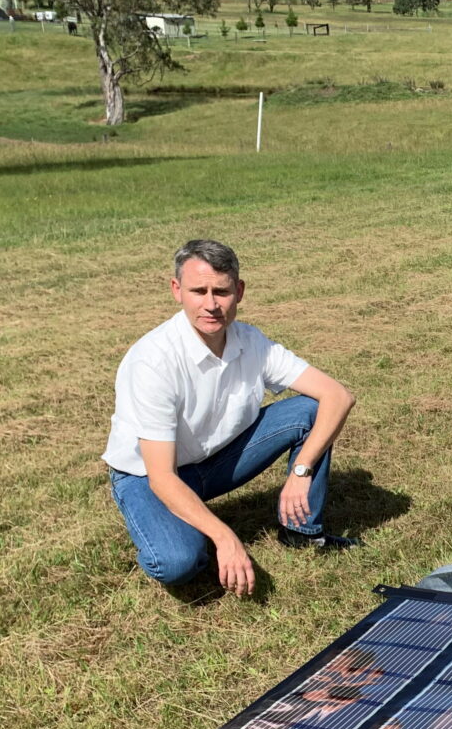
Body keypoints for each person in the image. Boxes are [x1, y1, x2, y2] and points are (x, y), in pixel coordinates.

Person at [103, 239, 358, 596]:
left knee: (310, 411)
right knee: (178, 563)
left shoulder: (252, 342)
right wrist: (225, 536)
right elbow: (161, 476)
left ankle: (302, 533)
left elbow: (337, 395)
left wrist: (302, 470)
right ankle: (164, 528)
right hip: (147, 475)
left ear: (239, 291)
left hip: (216, 460)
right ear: (177, 290)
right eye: (198, 291)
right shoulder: (153, 361)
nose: (210, 304)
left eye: (221, 291)